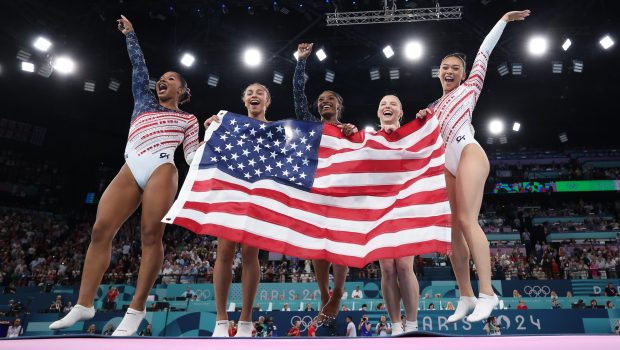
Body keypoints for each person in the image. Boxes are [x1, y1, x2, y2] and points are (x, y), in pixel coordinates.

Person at [49, 15, 200, 336]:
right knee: (101, 230)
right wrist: (131, 35)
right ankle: (84, 304)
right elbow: (139, 68)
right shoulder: (144, 100)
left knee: (150, 235)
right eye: (162, 77)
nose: (163, 79)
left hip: (162, 167)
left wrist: (211, 138)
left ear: (184, 90)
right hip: (131, 166)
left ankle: (137, 308)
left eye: (172, 78)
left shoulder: (188, 118)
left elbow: (190, 156)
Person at [417, 10, 531, 323]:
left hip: (468, 151)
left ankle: (487, 293)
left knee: (468, 221)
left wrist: (503, 20)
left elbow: (485, 50)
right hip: (447, 164)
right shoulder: (432, 108)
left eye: (455, 68)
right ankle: (465, 296)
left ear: (465, 74)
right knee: (452, 233)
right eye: (445, 67)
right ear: (438, 73)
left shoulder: (470, 88)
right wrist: (420, 121)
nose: (450, 70)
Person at [293, 43, 356, 326]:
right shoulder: (309, 124)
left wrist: (352, 136)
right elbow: (298, 96)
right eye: (321, 99)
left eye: (330, 98)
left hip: (341, 192)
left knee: (338, 243)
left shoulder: (349, 131)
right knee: (317, 246)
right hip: (314, 188)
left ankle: (339, 290)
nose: (324, 101)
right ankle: (324, 293)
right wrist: (300, 63)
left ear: (340, 106)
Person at [204, 83, 272, 337]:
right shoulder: (229, 125)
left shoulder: (276, 130)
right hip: (232, 191)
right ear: (244, 101)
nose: (254, 96)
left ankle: (245, 320)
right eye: (250, 93)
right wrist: (212, 129)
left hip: (258, 195)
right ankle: (221, 321)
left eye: (260, 93)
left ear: (268, 100)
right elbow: (208, 149)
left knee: (250, 255)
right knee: (224, 252)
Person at [375, 95, 421, 335]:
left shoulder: (414, 137)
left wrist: (425, 123)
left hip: (406, 205)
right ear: (378, 113)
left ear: (401, 112)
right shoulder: (369, 140)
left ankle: (412, 324)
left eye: (393, 103)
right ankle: (395, 325)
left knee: (404, 266)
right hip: (379, 209)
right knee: (387, 269)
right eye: (383, 104)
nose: (388, 106)